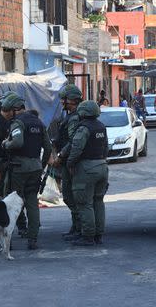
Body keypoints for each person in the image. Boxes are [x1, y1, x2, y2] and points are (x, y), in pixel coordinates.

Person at [2, 95, 52, 250]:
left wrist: (5, 144)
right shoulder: (39, 122)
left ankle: (7, 242)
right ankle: (33, 239)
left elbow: (18, 142)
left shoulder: (18, 123)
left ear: (16, 110)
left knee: (12, 203)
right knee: (32, 202)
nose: (8, 114)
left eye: (9, 111)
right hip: (35, 167)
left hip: (19, 168)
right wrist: (41, 165)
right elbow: (48, 148)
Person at [67, 100, 109, 246]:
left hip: (87, 168)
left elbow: (76, 148)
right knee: (98, 201)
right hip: (102, 166)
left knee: (85, 203)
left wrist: (70, 163)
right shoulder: (101, 127)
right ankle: (98, 234)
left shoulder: (83, 128)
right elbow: (106, 148)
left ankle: (88, 236)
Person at [53, 85, 83, 241]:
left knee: (71, 196)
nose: (62, 102)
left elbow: (72, 141)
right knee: (68, 196)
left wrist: (60, 155)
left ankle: (79, 228)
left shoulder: (74, 118)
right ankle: (76, 227)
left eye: (65, 99)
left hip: (71, 163)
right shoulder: (70, 116)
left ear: (72, 100)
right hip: (68, 162)